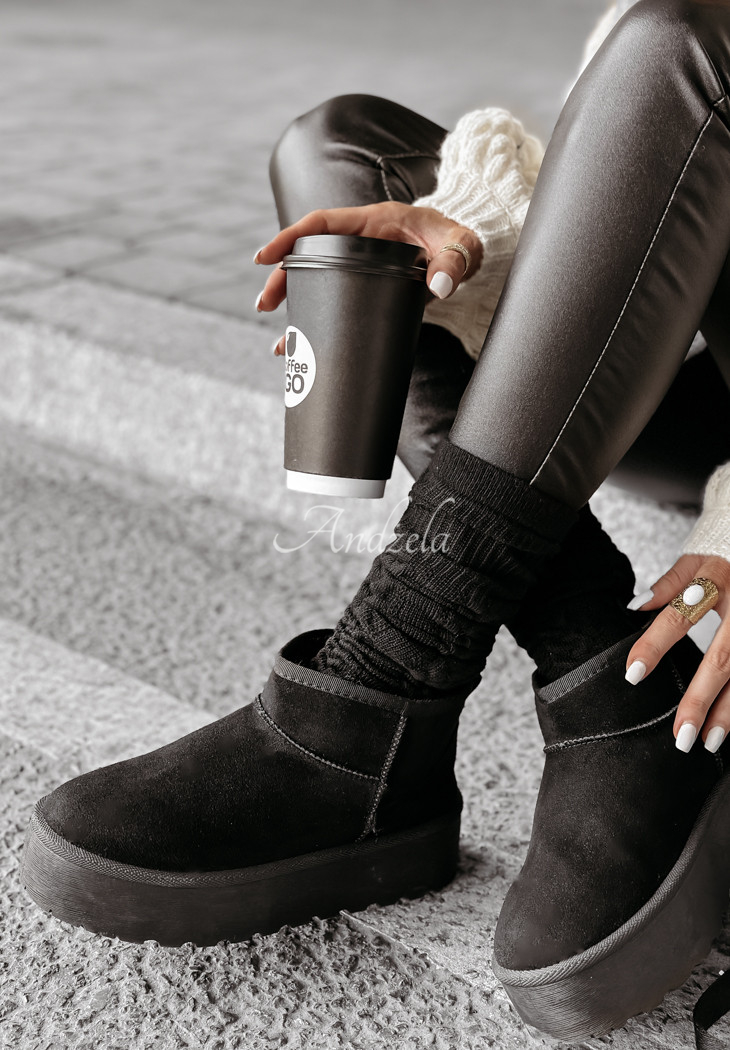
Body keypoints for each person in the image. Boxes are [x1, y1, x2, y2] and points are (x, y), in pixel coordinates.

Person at [19, 0, 730, 1042]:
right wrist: (471, 246)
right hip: (674, 359)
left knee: (685, 40)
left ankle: (383, 702)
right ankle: (593, 669)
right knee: (339, 148)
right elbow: (665, 167)